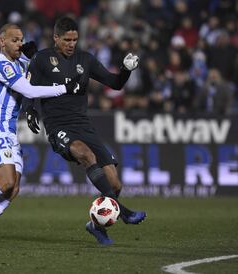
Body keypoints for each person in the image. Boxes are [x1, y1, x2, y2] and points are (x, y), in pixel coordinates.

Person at [0, 23, 79, 247]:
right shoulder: (0, 64)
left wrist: (36, 57)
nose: (19, 43)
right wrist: (64, 88)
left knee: (13, 188)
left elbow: (41, 74)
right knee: (6, 181)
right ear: (2, 42)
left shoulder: (21, 63)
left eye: (21, 39)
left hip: (9, 132)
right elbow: (29, 90)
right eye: (14, 40)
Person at [23, 17, 146, 245]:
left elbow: (115, 83)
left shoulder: (85, 60)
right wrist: (30, 111)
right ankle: (125, 212)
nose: (71, 44)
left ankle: (95, 226)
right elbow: (28, 89)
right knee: (85, 155)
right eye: (67, 39)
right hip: (58, 126)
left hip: (83, 124)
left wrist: (126, 70)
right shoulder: (41, 59)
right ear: (56, 38)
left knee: (115, 184)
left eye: (75, 40)